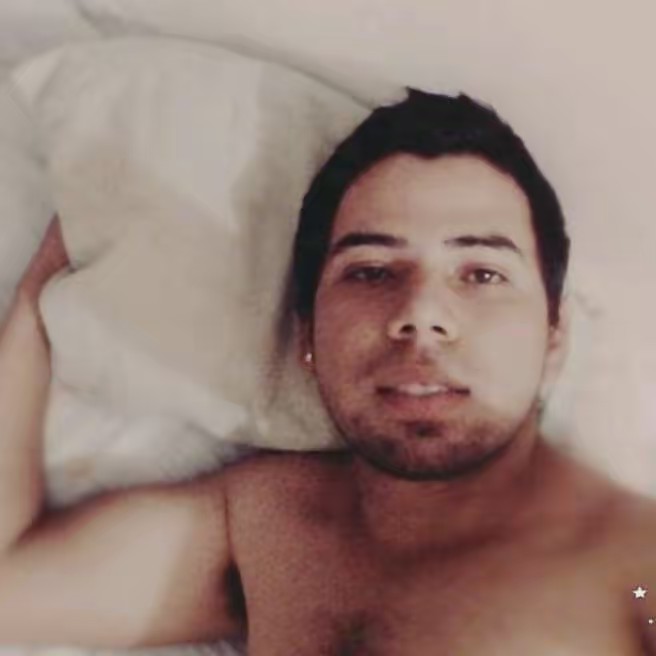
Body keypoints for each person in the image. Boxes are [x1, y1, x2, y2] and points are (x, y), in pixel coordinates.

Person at [0, 89, 655, 655]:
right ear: (308, 334)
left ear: (555, 337)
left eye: (482, 274)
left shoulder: (634, 569)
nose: (421, 314)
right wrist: (34, 312)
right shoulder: (268, 534)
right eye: (371, 271)